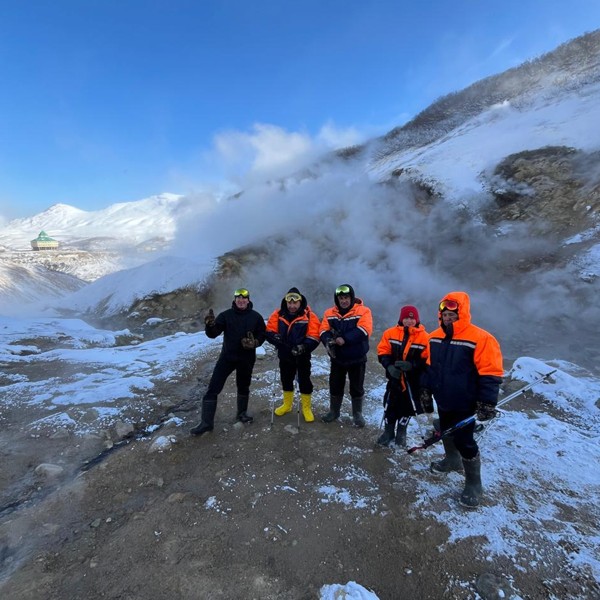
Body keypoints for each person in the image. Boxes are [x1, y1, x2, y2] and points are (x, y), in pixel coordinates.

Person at [420, 291, 503, 508]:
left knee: (465, 441)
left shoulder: (481, 338)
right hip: (443, 397)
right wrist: (426, 391)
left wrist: (487, 402)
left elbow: (490, 373)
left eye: (452, 314)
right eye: (445, 314)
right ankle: (452, 460)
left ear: (462, 313)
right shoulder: (434, 337)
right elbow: (429, 367)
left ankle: (474, 484)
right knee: (445, 429)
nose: (448, 318)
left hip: (467, 402)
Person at [190, 288, 266, 436]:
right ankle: (206, 424)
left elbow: (262, 334)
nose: (241, 300)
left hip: (246, 359)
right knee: (213, 388)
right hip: (227, 358)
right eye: (238, 298)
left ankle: (241, 414)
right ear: (235, 300)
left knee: (243, 387)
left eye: (244, 298)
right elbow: (213, 334)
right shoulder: (226, 315)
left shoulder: (256, 317)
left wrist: (255, 342)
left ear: (248, 300)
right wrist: (210, 325)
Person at [319, 284, 373, 427]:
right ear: (337, 299)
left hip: (357, 357)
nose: (344, 301)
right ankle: (334, 411)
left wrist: (345, 339)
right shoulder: (329, 313)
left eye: (346, 298)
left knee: (356, 387)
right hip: (337, 358)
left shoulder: (363, 311)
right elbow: (323, 330)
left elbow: (364, 329)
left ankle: (357, 414)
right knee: (335, 385)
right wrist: (328, 340)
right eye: (341, 298)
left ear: (352, 297)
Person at [376, 305, 429, 447]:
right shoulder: (390, 333)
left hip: (412, 382)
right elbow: (383, 352)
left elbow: (427, 360)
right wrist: (389, 366)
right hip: (394, 380)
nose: (409, 321)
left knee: (408, 408)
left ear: (417, 319)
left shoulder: (425, 338)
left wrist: (412, 365)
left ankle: (401, 432)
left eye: (412, 318)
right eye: (406, 318)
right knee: (390, 405)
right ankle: (388, 432)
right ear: (401, 319)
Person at [265, 287, 321, 422]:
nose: (292, 306)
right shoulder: (278, 314)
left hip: (302, 355)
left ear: (300, 302)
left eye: (295, 303)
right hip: (284, 354)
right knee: (286, 379)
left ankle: (306, 408)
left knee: (305, 381)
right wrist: (274, 338)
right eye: (289, 302)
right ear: (286, 302)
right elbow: (269, 330)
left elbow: (314, 336)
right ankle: (287, 404)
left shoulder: (309, 316)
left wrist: (303, 347)